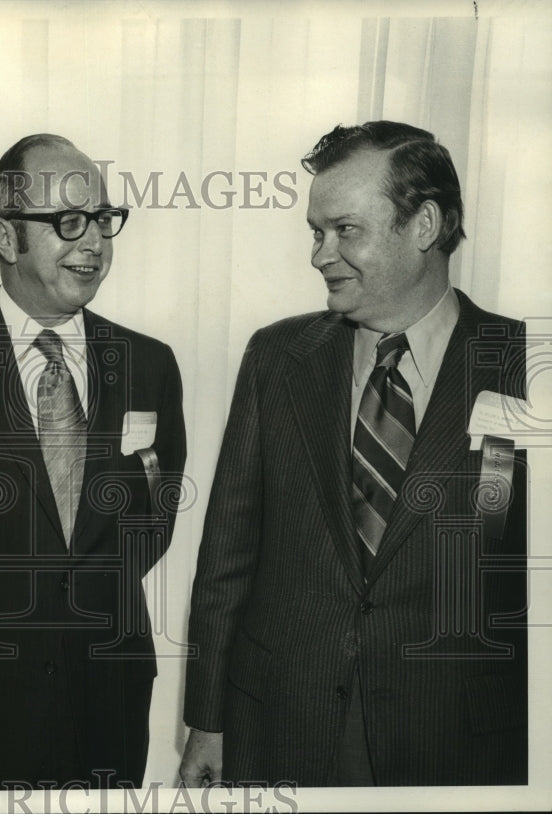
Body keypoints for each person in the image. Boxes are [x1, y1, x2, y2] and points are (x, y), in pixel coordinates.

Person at [180, 121, 528, 787]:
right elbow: (227, 558)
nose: (320, 254)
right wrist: (207, 721)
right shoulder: (277, 357)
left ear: (422, 226)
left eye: (345, 230)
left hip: (455, 745)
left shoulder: (526, 369)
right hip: (282, 729)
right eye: (317, 232)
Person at [0, 134, 187, 788]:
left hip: (106, 705)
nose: (95, 243)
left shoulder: (149, 365)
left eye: (103, 221)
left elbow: (154, 522)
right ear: (7, 237)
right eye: (68, 223)